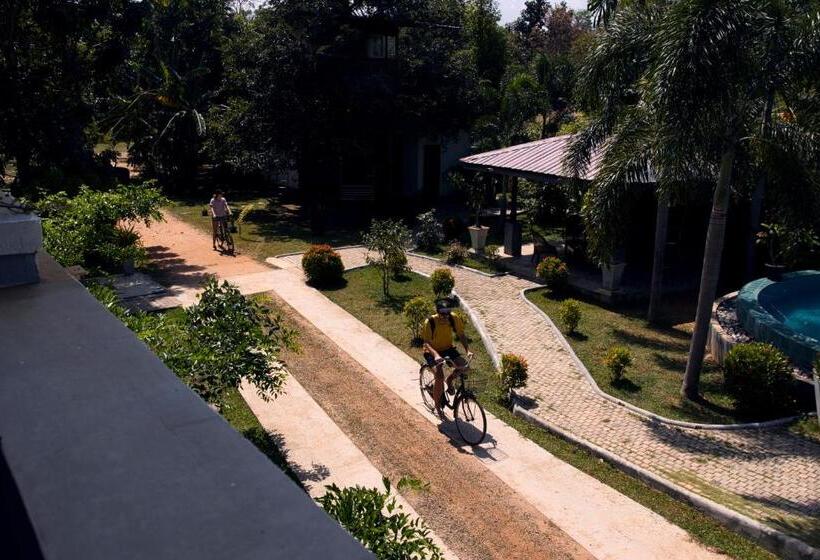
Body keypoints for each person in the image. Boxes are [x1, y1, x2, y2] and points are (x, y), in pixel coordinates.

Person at [422, 297, 472, 417]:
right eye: (442, 313)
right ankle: (438, 406)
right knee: (439, 377)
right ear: (438, 311)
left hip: (447, 348)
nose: (445, 316)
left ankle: (449, 380)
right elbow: (426, 343)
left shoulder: (453, 318)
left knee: (465, 367)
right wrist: (436, 355)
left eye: (447, 313)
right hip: (431, 351)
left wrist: (468, 350)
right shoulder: (430, 322)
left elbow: (461, 334)